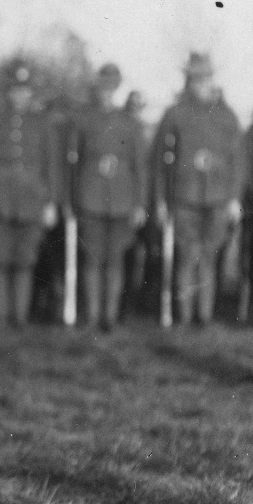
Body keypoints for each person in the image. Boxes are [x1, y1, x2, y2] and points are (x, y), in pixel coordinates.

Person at [151, 53, 245, 327]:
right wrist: (160, 200)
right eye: (197, 79)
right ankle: (184, 315)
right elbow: (159, 163)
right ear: (189, 82)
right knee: (187, 257)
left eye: (207, 78)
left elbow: (237, 161)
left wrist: (234, 198)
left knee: (208, 258)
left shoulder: (227, 117)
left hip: (217, 199)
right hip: (185, 198)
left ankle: (204, 316)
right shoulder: (174, 115)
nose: (203, 84)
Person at [0, 61, 59, 327]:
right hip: (0, 200)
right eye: (15, 91)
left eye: (25, 91)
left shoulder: (43, 124)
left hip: (32, 201)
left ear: (31, 94)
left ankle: (19, 317)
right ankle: (0, 317)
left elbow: (51, 164)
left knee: (24, 261)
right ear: (7, 93)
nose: (19, 96)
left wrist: (51, 203)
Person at [66, 64, 147, 329]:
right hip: (91, 198)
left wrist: (139, 204)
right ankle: (91, 316)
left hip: (122, 201)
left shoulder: (130, 124)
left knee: (115, 262)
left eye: (112, 89)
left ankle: (109, 317)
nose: (107, 94)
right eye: (104, 88)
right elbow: (72, 163)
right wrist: (72, 199)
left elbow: (139, 167)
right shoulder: (83, 120)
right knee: (92, 260)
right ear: (97, 89)